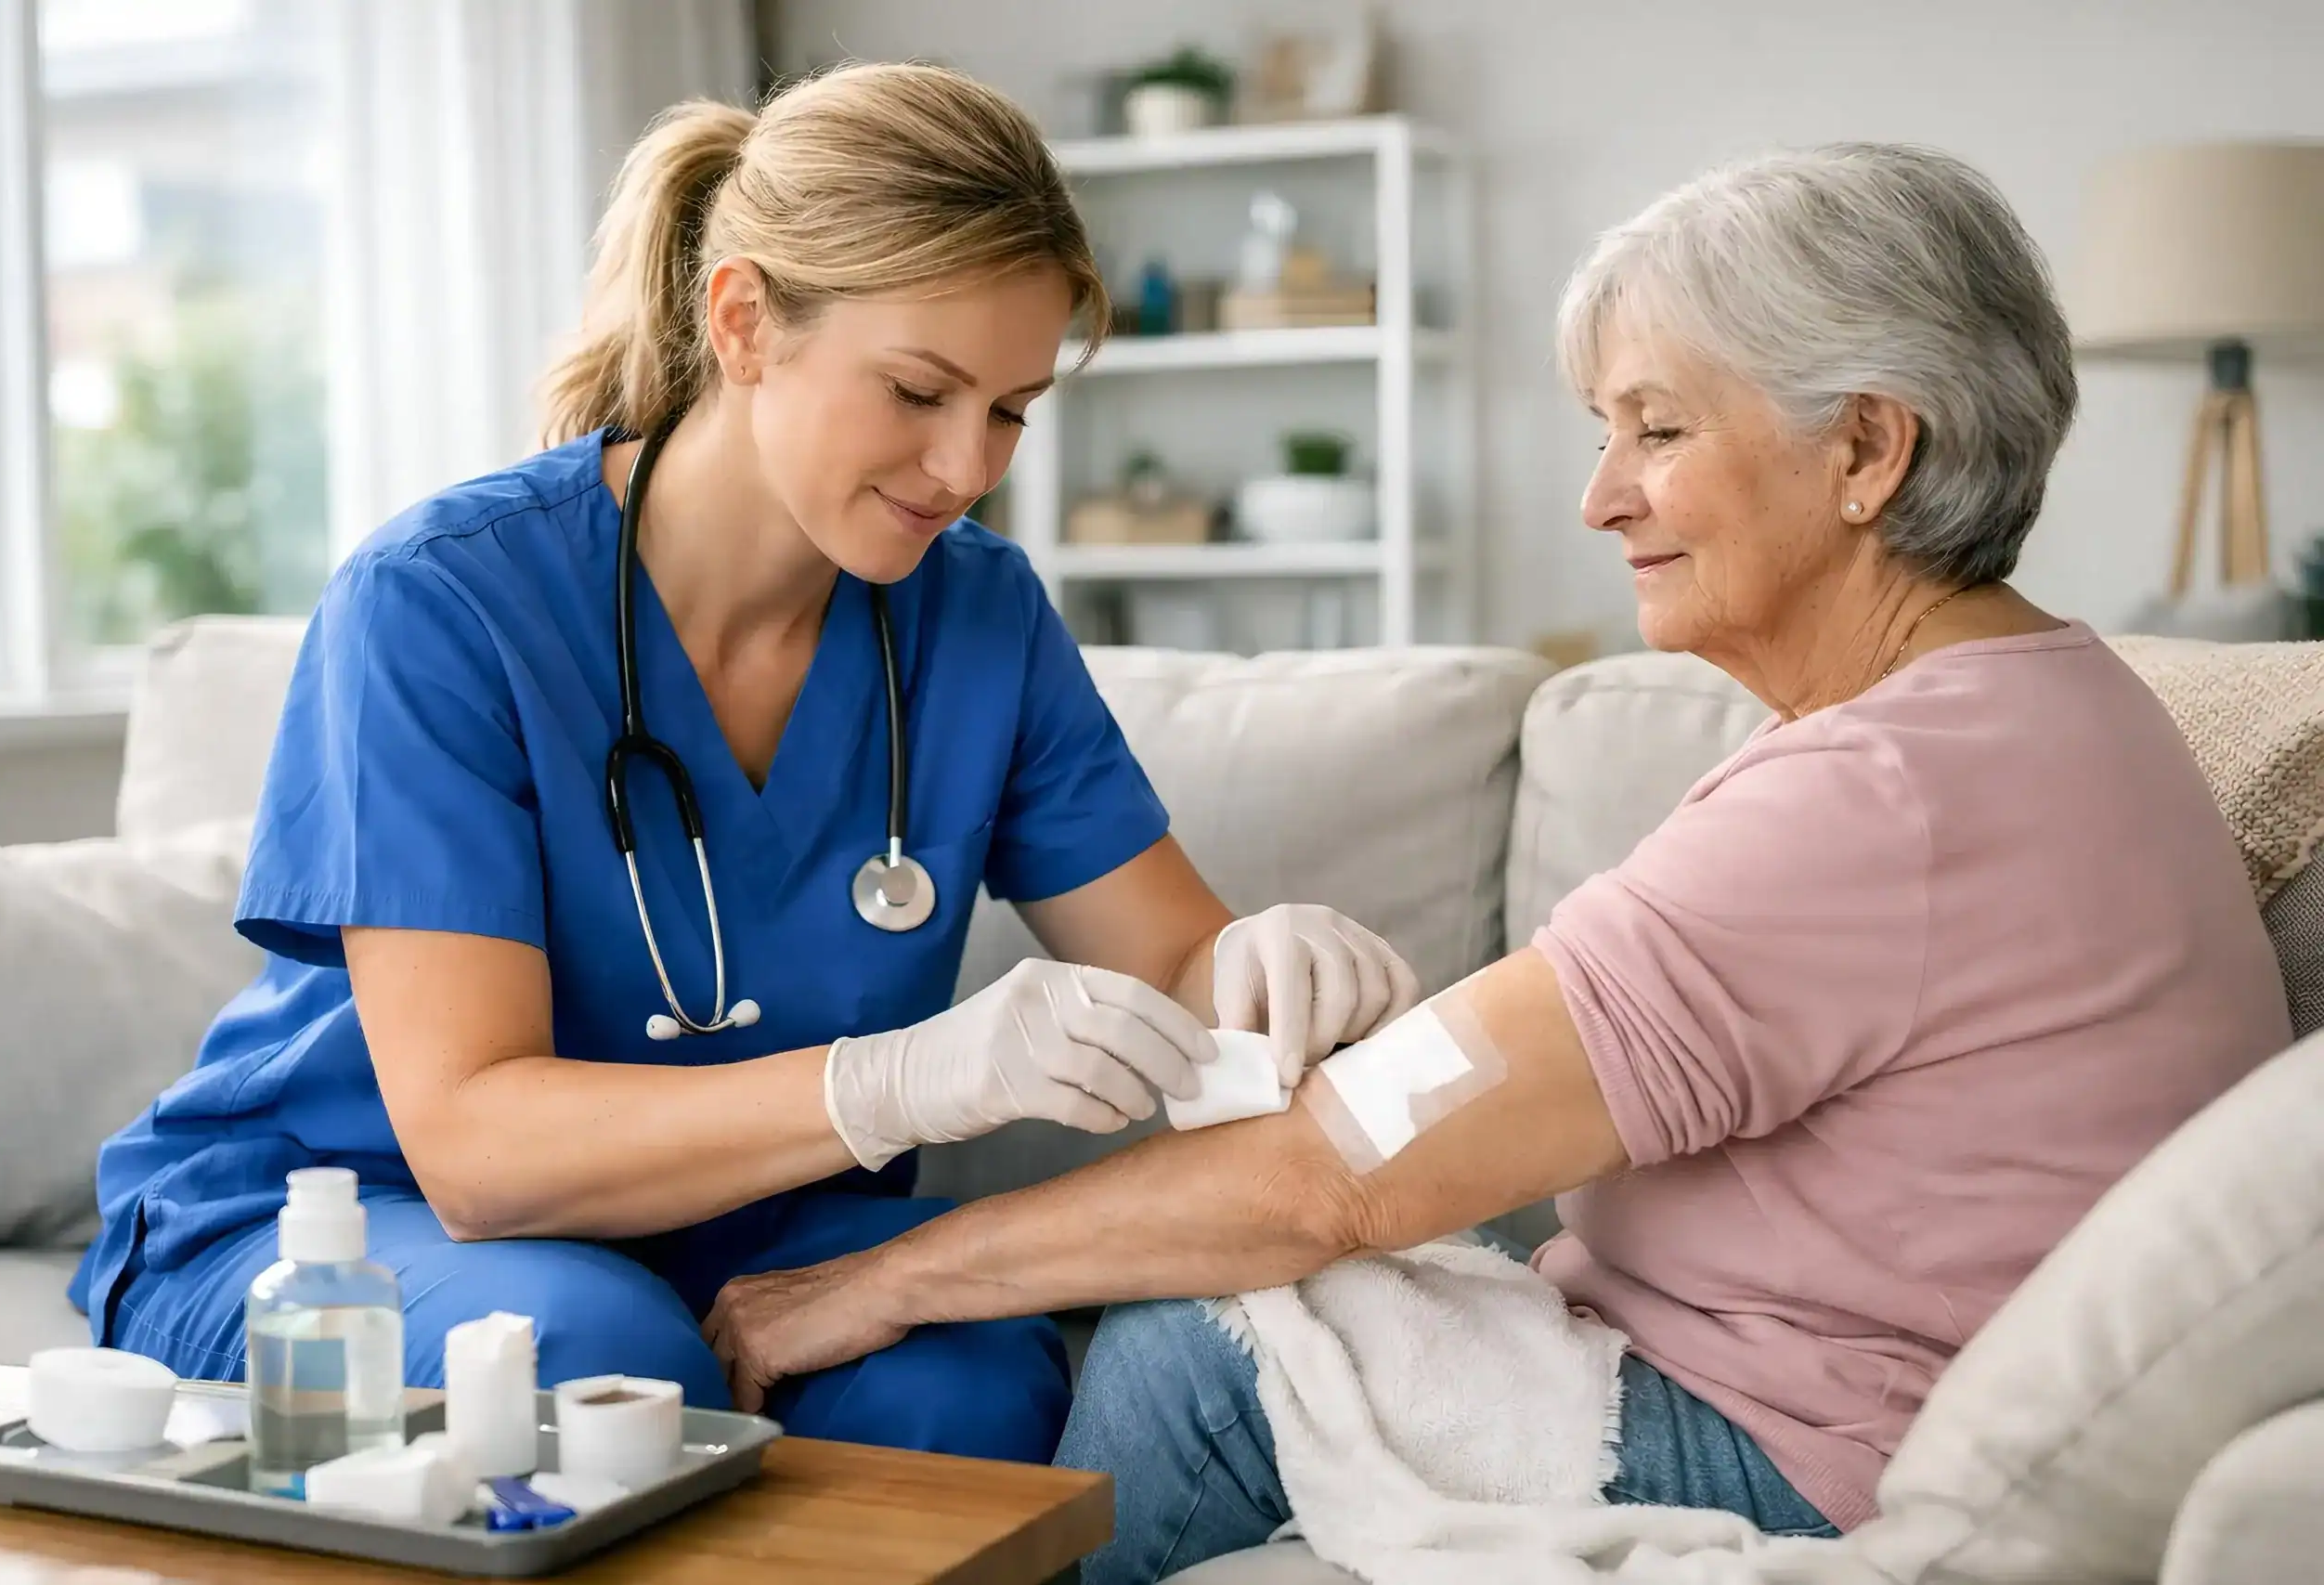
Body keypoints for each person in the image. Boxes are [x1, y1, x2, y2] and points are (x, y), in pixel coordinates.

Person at [697, 142, 2295, 1578]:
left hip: (1810, 1460)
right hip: (1834, 1397)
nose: (1601, 497)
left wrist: (879, 1280)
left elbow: (1338, 1165)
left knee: (1202, 1345)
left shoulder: (1884, 796)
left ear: (1867, 449)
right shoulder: (2051, 706)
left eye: (1657, 428)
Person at [68, 62, 1417, 1466]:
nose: (967, 465)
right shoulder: (441, 603)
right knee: (602, 1368)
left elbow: (1178, 963)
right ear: (746, 320)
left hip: (757, 1221)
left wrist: (1263, 965)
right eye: (918, 390)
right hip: (351, 1217)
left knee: (963, 1391)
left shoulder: (976, 617)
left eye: (1011, 409)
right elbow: (472, 1145)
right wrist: (895, 1081)